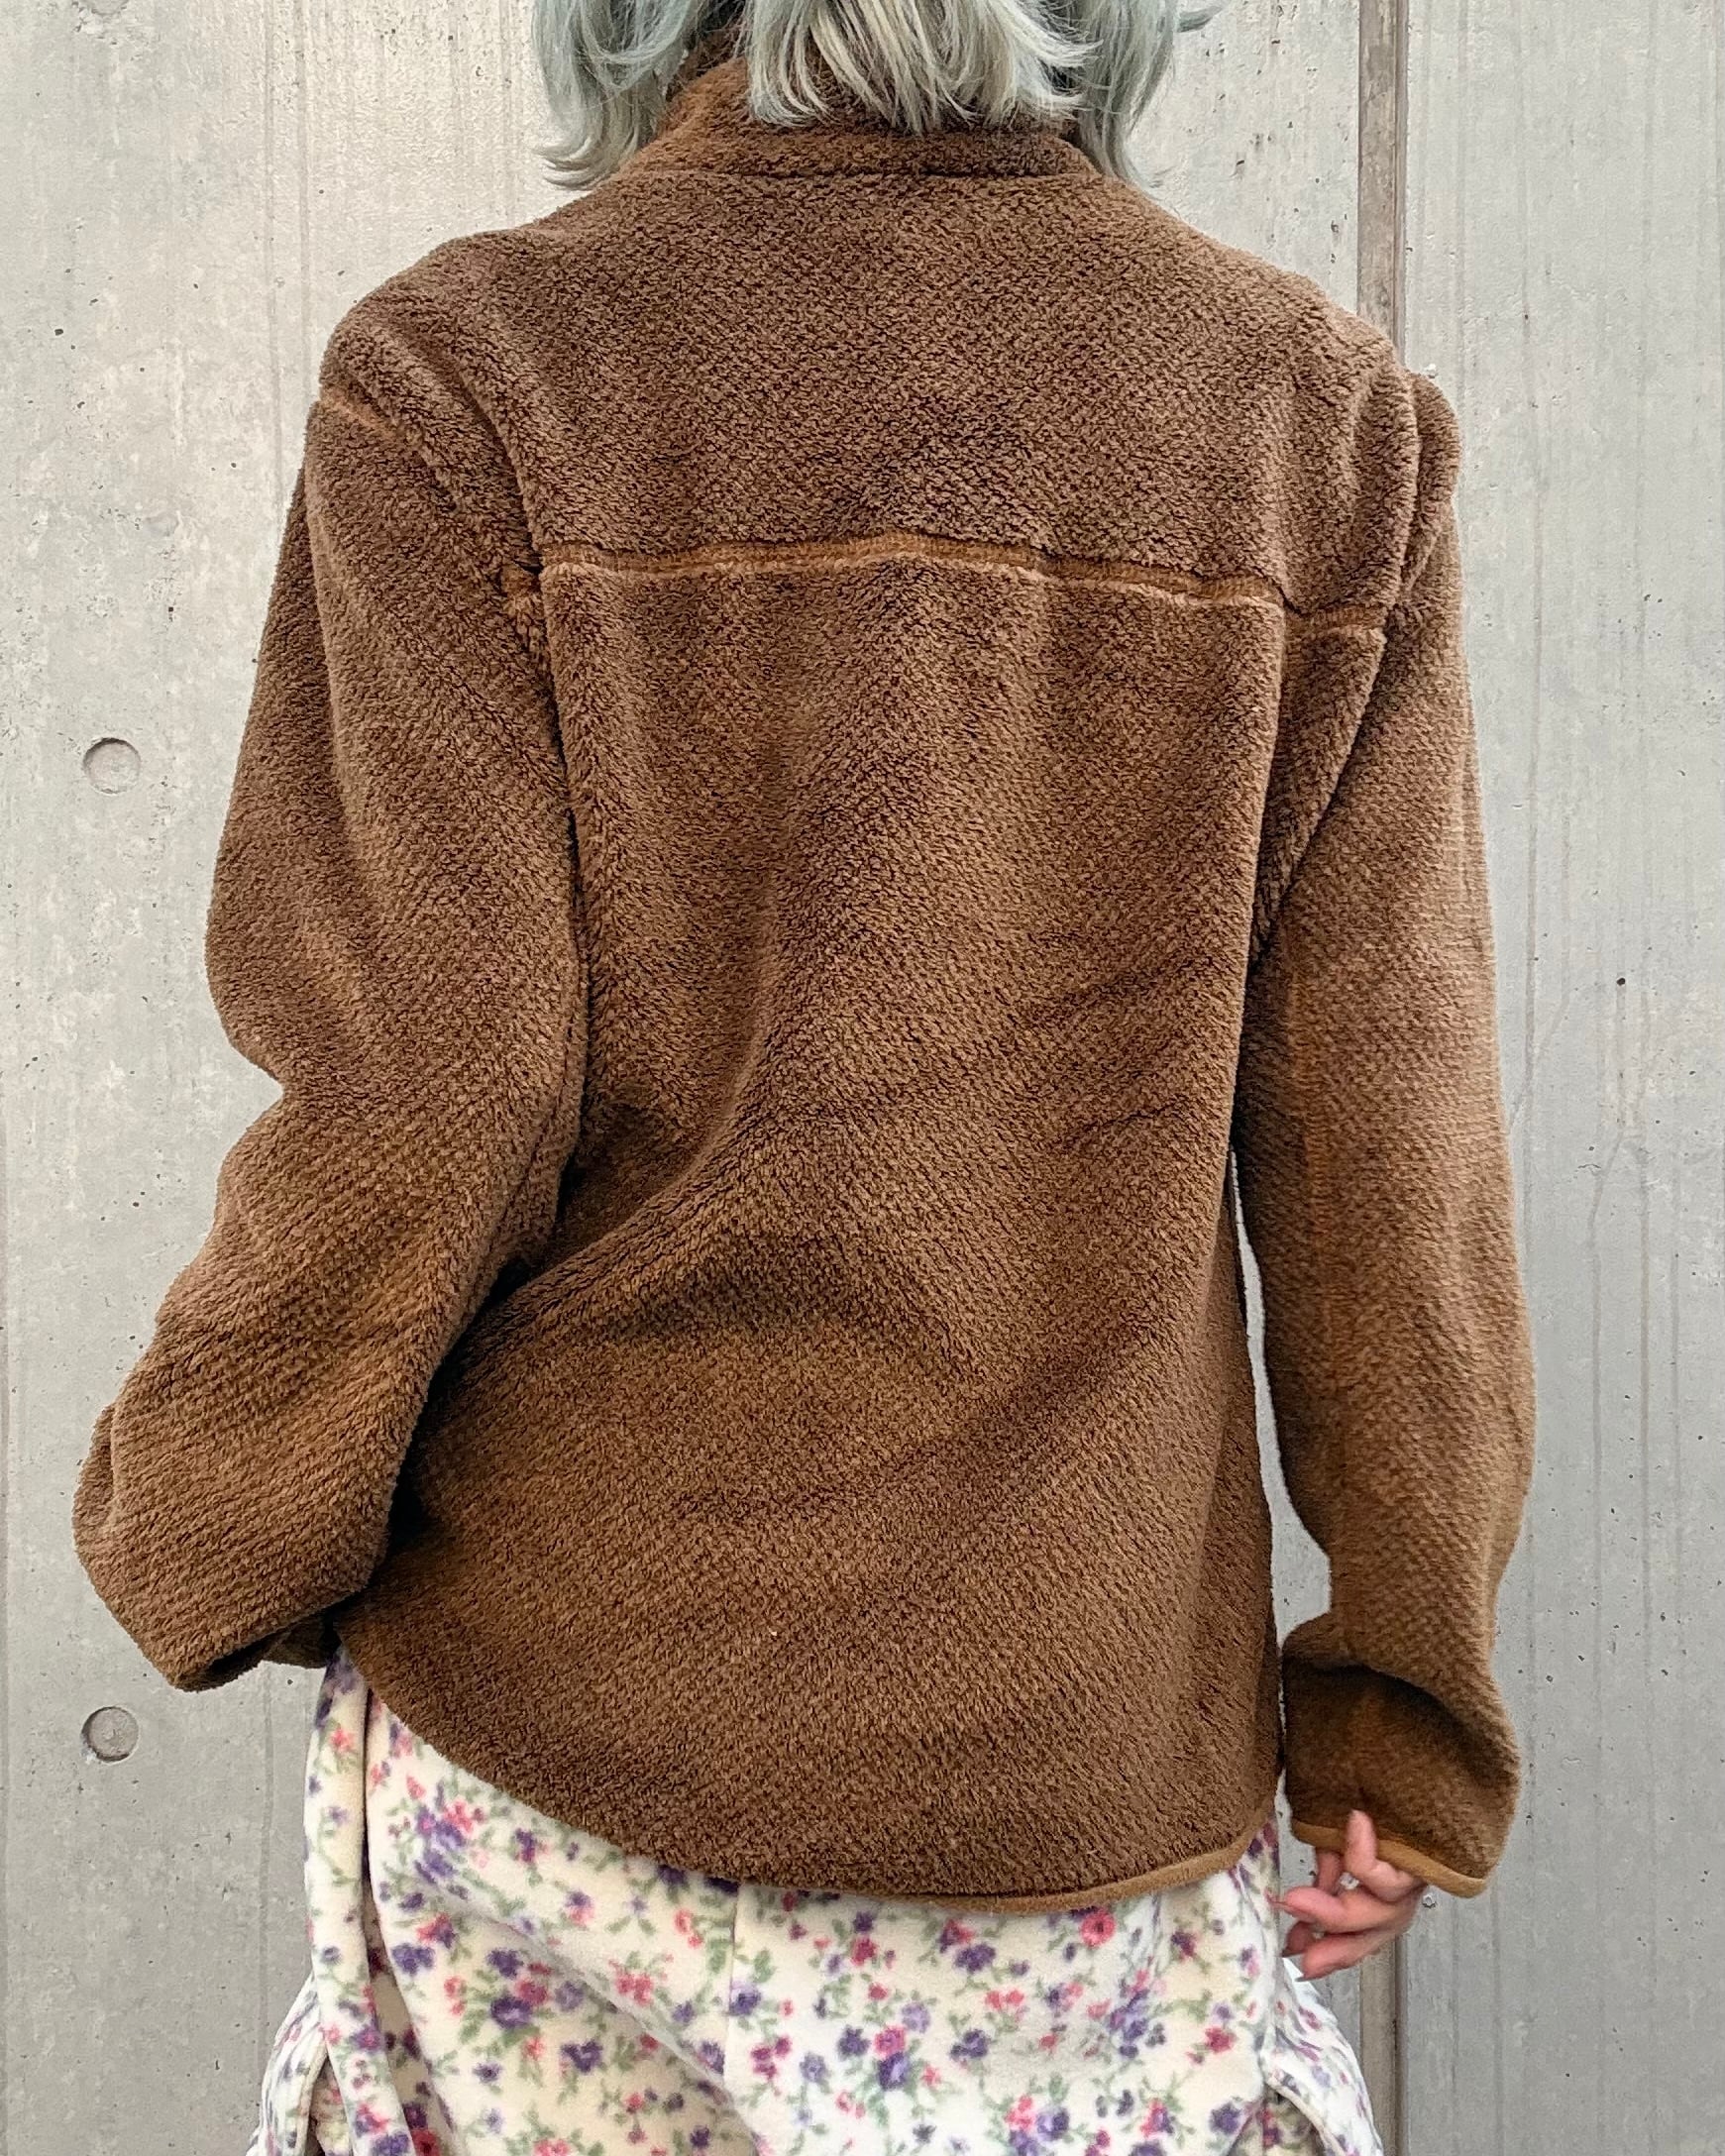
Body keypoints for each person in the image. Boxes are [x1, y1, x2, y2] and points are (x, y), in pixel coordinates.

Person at [70, 0, 1538, 2149]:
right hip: (1071, 1766)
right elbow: (1382, 1157)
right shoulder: (1313, 426)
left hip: (570, 1727)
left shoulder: (478, 373)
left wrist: (217, 1515)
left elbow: (430, 1081)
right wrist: (1403, 1711)